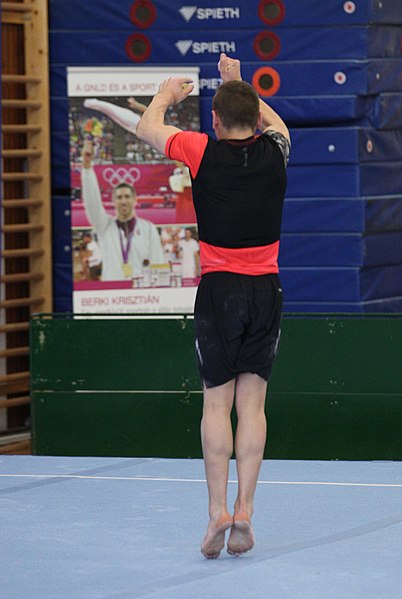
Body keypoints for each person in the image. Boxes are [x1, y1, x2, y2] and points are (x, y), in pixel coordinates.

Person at [136, 53, 290, 559]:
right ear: (255, 117)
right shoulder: (277, 152)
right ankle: (245, 510)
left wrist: (165, 95)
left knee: (217, 405)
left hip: (220, 291)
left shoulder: (202, 151)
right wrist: (239, 84)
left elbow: (147, 126)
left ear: (215, 121)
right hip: (266, 291)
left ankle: (217, 512)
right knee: (253, 407)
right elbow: (274, 121)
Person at [81, 140, 164, 280]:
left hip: (143, 294)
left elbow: (157, 261)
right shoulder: (105, 227)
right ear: (114, 201)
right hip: (113, 294)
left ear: (135, 199)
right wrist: (87, 167)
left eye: (127, 196)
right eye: (119, 197)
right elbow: (92, 203)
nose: (123, 201)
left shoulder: (148, 228)